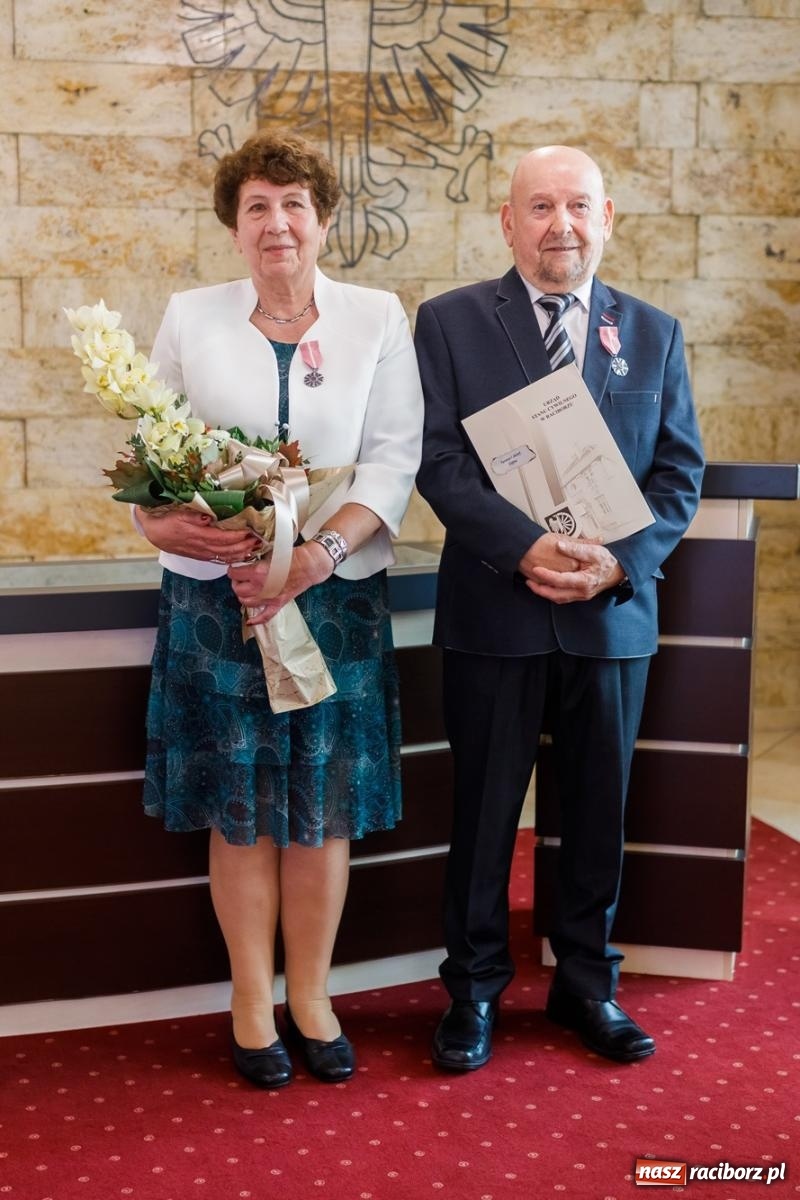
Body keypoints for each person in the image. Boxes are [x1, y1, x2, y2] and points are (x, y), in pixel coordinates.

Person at [135, 130, 423, 1088]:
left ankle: (314, 994)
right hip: (224, 606)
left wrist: (316, 558)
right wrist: (168, 529)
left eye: (294, 203)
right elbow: (150, 470)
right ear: (234, 225)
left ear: (325, 219)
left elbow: (391, 463)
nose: (277, 223)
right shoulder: (190, 316)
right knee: (244, 810)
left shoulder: (378, 317)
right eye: (257, 206)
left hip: (330, 602)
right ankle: (251, 1000)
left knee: (321, 809)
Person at [414, 145, 705, 1070]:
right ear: (508, 222)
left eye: (577, 206)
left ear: (607, 217)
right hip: (495, 614)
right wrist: (525, 547)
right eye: (539, 207)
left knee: (596, 815)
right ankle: (472, 993)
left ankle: (588, 986)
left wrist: (615, 567)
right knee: (487, 813)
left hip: (610, 620)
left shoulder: (654, 333)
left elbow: (678, 474)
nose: (559, 225)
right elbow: (439, 462)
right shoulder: (452, 323)